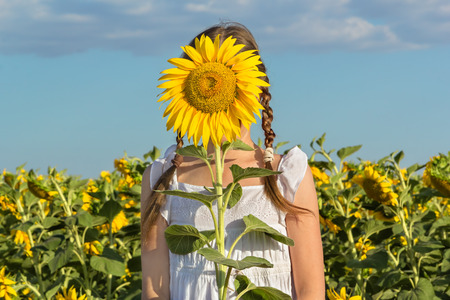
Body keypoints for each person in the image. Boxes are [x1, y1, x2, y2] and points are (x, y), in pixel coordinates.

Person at [140, 22, 325, 300]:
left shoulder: (286, 175)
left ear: (257, 88)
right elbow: (155, 290)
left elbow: (310, 290)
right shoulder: (163, 179)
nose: (213, 90)